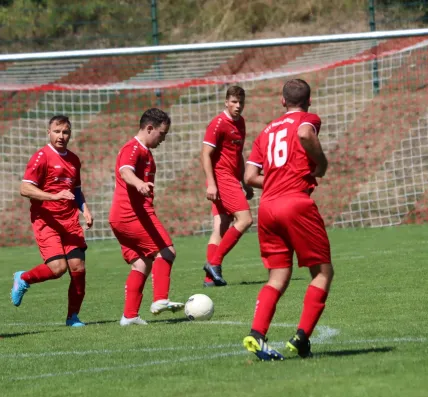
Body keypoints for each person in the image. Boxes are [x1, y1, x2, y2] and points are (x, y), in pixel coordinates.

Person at [242, 79, 334, 360]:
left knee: (278, 276)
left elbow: (248, 177)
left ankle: (256, 335)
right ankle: (301, 337)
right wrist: (322, 165)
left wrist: (275, 180)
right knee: (322, 272)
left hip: (268, 206)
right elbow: (306, 134)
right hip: (295, 202)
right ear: (309, 100)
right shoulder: (308, 119)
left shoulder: (266, 132)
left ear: (282, 101)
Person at [11, 115, 94, 327]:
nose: (61, 136)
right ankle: (24, 278)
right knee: (58, 269)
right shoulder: (41, 157)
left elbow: (76, 191)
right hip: (46, 221)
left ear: (70, 134)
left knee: (78, 267)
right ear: (49, 133)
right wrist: (53, 197)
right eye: (57, 131)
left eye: (65, 132)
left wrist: (84, 209)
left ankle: (72, 317)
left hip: (70, 221)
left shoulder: (74, 160)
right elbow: (25, 189)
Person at [109, 108, 184, 326]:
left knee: (141, 264)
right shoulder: (133, 149)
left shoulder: (145, 152)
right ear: (149, 128)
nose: (163, 139)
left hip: (120, 217)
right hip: (132, 215)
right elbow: (125, 171)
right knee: (167, 251)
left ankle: (129, 316)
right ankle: (160, 299)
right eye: (161, 133)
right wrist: (139, 183)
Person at [201, 86, 254, 287]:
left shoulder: (241, 123)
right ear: (226, 102)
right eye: (233, 101)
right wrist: (212, 184)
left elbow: (237, 155)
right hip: (221, 179)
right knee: (245, 219)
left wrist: (244, 182)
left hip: (232, 178)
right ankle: (214, 264)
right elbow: (205, 154)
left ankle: (210, 279)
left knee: (221, 226)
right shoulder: (218, 124)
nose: (238, 106)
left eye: (241, 102)